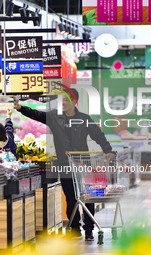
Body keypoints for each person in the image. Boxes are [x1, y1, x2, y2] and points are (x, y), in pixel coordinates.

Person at [15, 88, 114, 240]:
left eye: (67, 100)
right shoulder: (55, 117)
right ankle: (74, 228)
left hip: (84, 163)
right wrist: (21, 108)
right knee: (71, 197)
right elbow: (38, 115)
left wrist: (107, 150)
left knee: (89, 197)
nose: (63, 103)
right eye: (62, 100)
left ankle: (89, 229)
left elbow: (98, 135)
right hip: (64, 163)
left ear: (75, 102)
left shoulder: (84, 119)